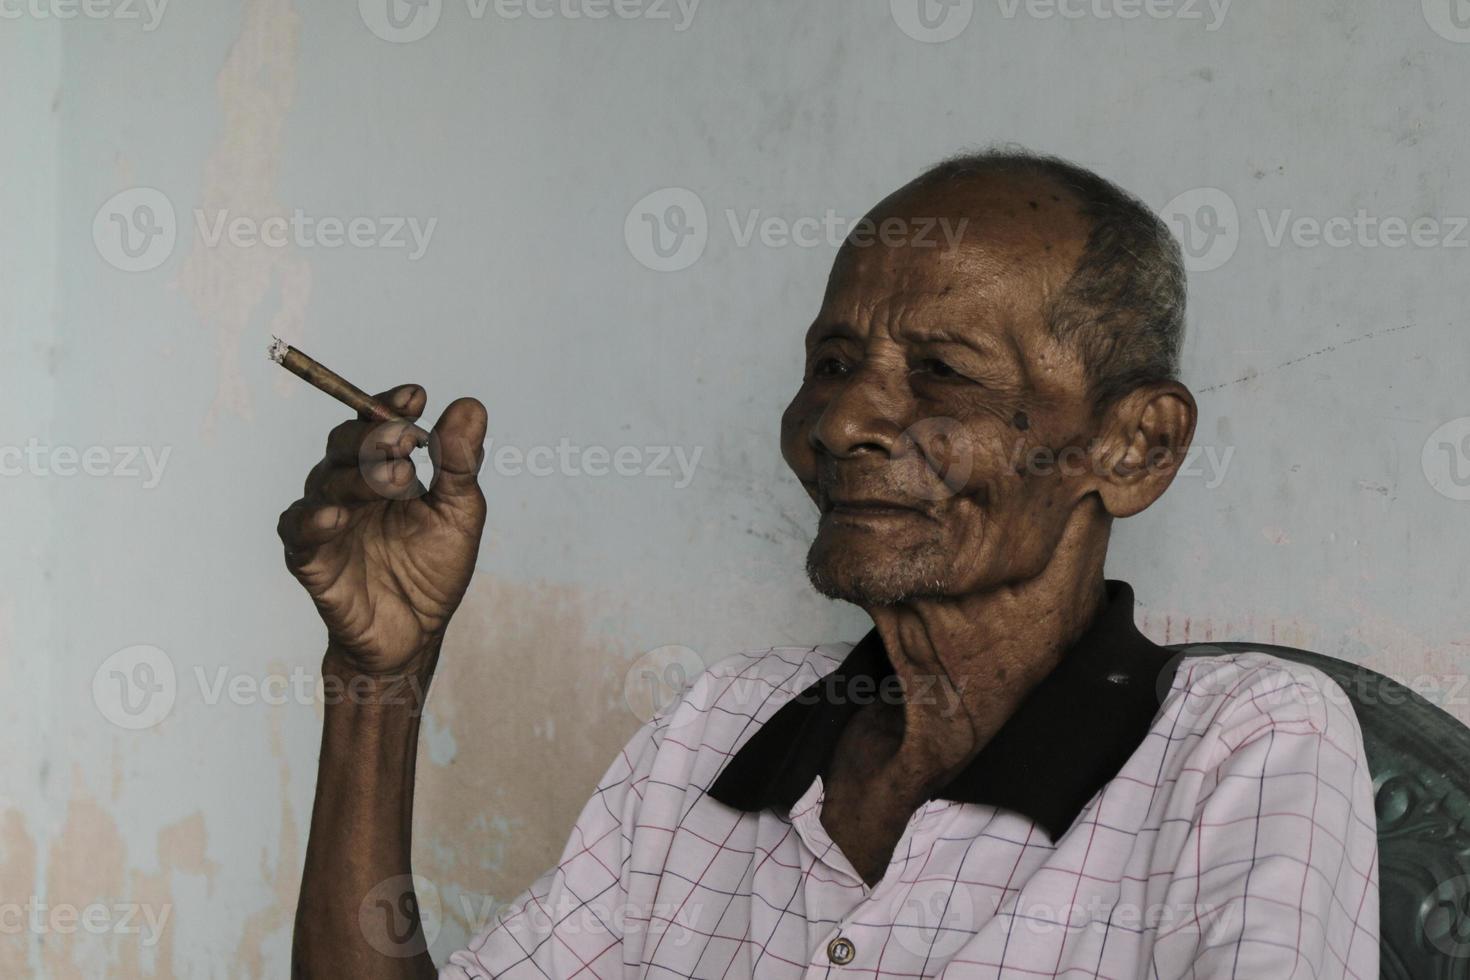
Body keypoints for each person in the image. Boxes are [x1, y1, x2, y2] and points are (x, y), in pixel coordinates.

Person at [284, 150, 1380, 978]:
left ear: (1133, 446)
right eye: (833, 360)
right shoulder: (721, 728)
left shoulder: (1243, 741)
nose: (842, 415)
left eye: (943, 371)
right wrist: (378, 676)